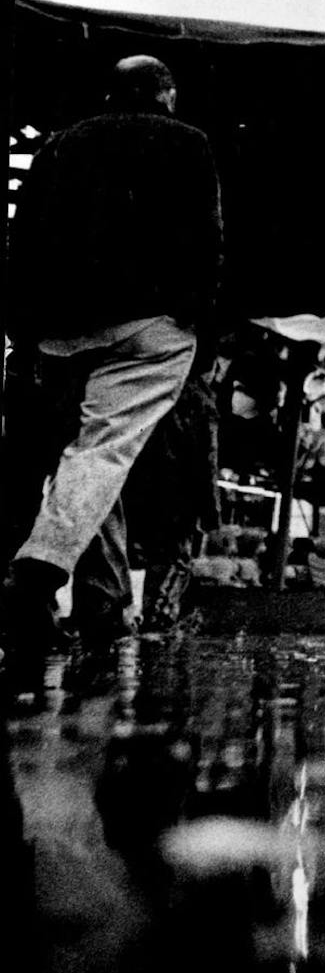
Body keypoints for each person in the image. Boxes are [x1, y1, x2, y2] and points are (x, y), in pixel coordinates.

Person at [2, 55, 221, 680]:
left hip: (61, 332)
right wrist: (198, 327)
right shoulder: (188, 143)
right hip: (151, 324)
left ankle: (78, 598)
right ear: (167, 94)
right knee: (104, 450)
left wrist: (26, 330)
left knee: (73, 458)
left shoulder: (57, 150)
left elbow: (23, 245)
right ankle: (36, 573)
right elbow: (207, 241)